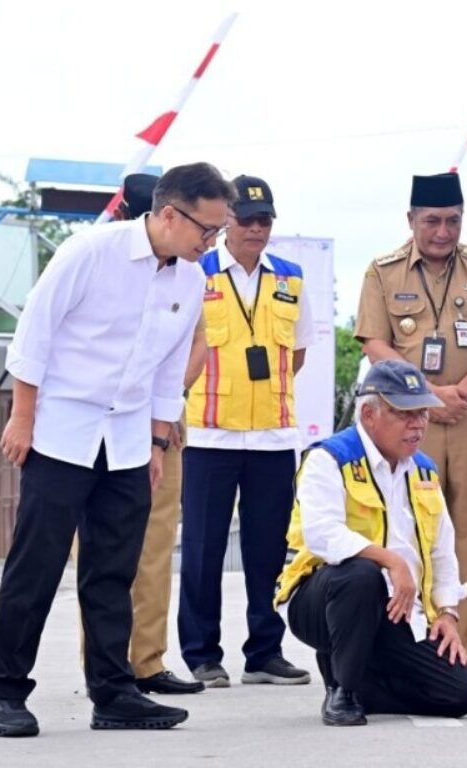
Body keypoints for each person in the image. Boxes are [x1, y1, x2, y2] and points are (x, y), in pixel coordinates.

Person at [0, 162, 235, 738]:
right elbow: (33, 336)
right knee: (36, 567)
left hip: (126, 443)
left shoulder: (192, 281)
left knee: (113, 573)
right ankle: (6, 692)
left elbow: (170, 373)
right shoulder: (89, 252)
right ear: (170, 214)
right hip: (61, 434)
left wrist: (156, 444)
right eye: (208, 230)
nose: (212, 241)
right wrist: (22, 418)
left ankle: (113, 692)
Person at [355, 172, 467, 687]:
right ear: (411, 221)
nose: (443, 232)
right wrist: (427, 396)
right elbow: (374, 345)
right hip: (408, 417)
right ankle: (406, 645)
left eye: (452, 220)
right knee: (408, 527)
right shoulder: (382, 273)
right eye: (432, 221)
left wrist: (463, 393)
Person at [274, 360, 467, 725]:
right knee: (362, 574)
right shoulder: (329, 458)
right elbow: (322, 535)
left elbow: (442, 550)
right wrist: (390, 561)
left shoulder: (424, 471)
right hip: (324, 602)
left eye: (423, 414)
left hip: (395, 609)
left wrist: (447, 613)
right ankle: (342, 690)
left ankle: (363, 680)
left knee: (459, 693)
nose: (418, 424)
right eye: (406, 414)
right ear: (369, 414)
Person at [178, 173, 313, 689]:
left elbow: (296, 353)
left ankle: (264, 651)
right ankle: (201, 653)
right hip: (210, 434)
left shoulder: (291, 278)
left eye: (265, 220)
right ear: (226, 220)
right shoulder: (197, 271)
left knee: (267, 551)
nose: (256, 229)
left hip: (273, 437)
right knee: (204, 551)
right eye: (246, 219)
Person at [114, 173, 207, 696]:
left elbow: (197, 345)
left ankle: (147, 661)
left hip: (165, 422)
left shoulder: (188, 276)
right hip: (105, 422)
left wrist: (165, 409)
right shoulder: (103, 263)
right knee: (106, 551)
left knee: (155, 547)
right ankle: (104, 661)